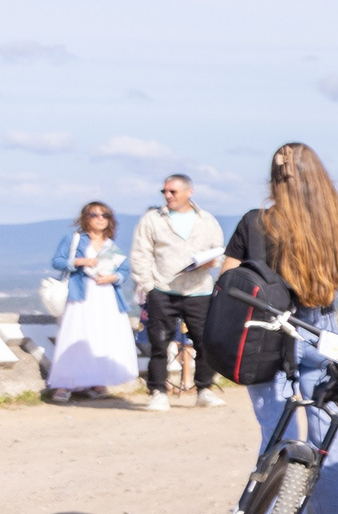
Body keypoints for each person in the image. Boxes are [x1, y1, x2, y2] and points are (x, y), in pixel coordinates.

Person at [220, 145, 338, 514]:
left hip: (269, 332)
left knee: (280, 437)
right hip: (323, 331)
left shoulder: (255, 223)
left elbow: (227, 280)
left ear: (274, 179)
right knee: (331, 433)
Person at [131, 174, 227, 410]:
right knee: (159, 342)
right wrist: (149, 285)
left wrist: (211, 262)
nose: (168, 196)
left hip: (199, 290)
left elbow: (219, 250)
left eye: (173, 191)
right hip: (163, 289)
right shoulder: (152, 219)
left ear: (189, 192)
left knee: (205, 341)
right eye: (165, 192)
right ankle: (157, 391)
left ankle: (204, 388)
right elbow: (141, 252)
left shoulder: (207, 220)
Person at [46, 202, 139, 401]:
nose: (99, 218)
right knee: (75, 336)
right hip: (81, 294)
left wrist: (113, 278)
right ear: (85, 217)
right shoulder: (74, 239)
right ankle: (64, 384)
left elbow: (124, 269)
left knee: (102, 338)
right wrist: (79, 262)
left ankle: (97, 381)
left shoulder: (111, 245)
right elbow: (58, 260)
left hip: (106, 295)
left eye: (104, 215)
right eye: (94, 214)